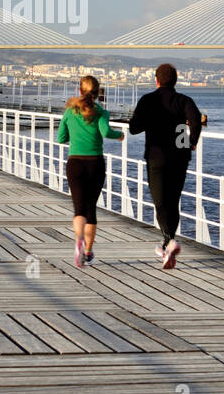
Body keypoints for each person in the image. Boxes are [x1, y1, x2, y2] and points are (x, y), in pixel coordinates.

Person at [128, 63, 203, 270]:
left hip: (156, 157)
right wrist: (192, 140)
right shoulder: (184, 101)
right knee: (173, 200)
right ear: (175, 81)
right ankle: (168, 243)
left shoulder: (147, 100)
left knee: (160, 202)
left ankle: (168, 242)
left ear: (156, 80)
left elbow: (134, 128)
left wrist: (147, 122)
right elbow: (195, 119)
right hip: (180, 156)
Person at [56, 74, 123, 268]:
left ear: (80, 90)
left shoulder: (70, 111)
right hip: (95, 163)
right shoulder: (101, 112)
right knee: (91, 209)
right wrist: (119, 135)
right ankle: (87, 252)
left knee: (79, 208)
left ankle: (78, 239)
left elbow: (61, 138)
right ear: (97, 92)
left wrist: (75, 137)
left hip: (75, 163)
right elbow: (106, 132)